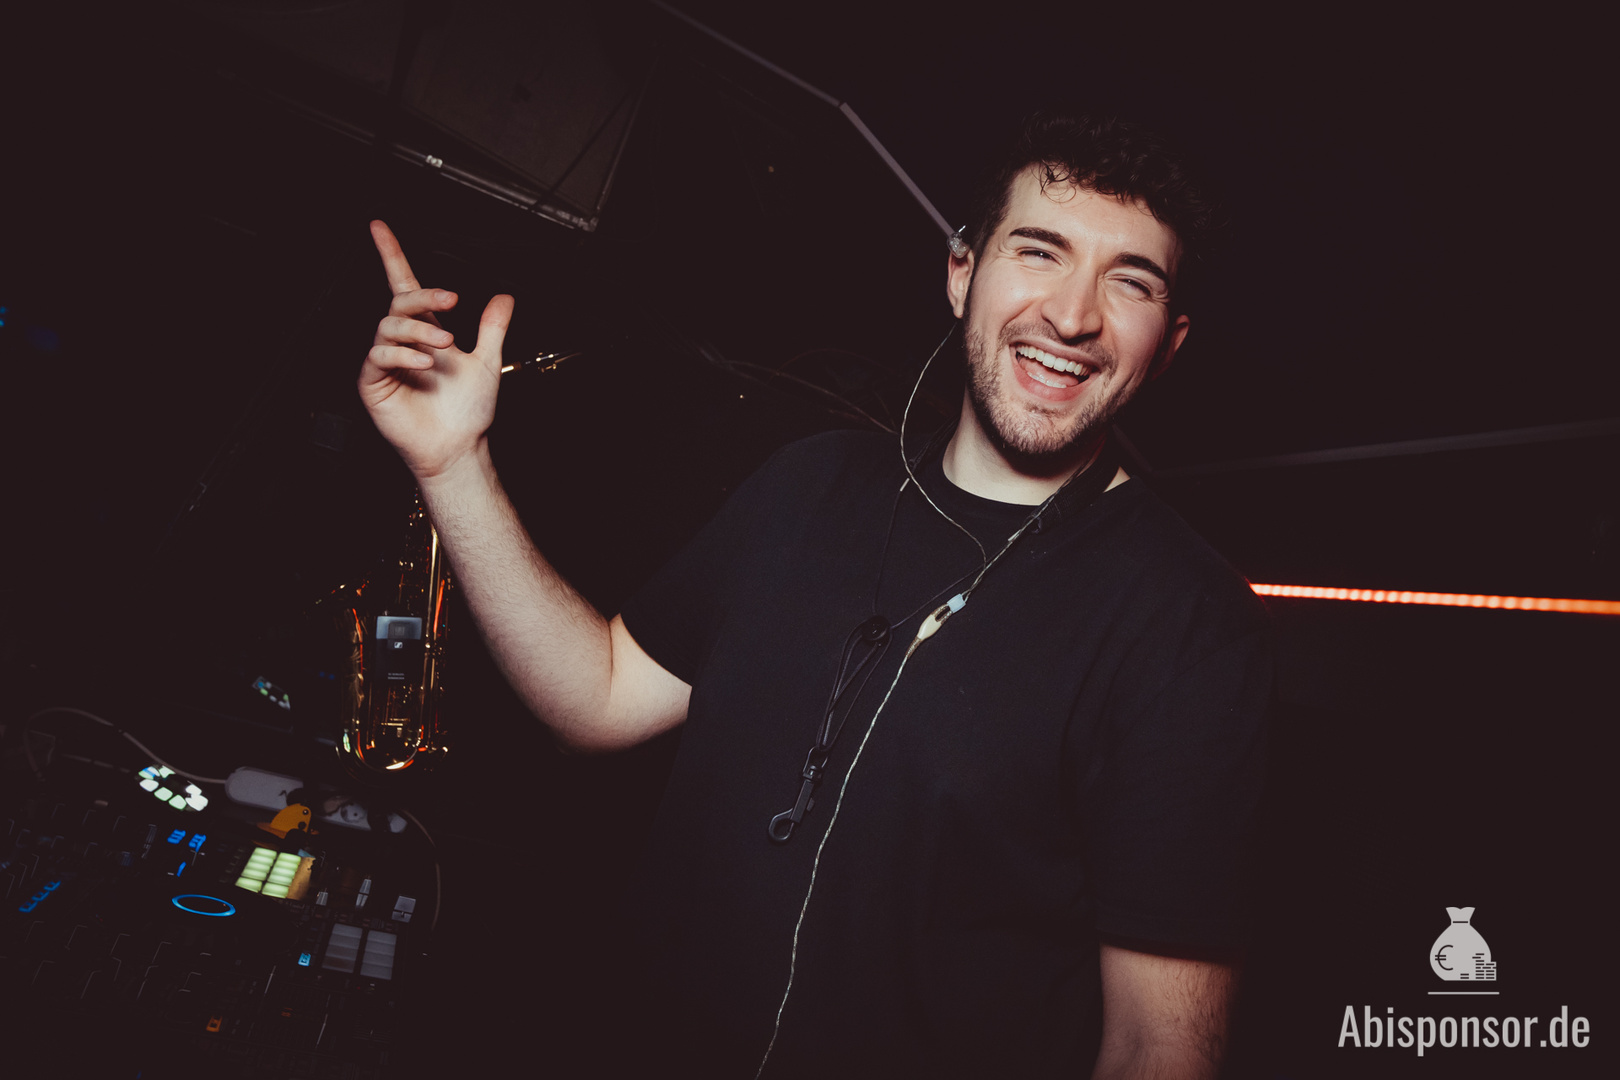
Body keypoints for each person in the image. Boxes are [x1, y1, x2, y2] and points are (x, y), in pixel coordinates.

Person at [359, 112, 1269, 1079]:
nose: (1074, 315)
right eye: (1040, 251)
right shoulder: (809, 485)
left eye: (1130, 281)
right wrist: (453, 465)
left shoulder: (1190, 627)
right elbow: (601, 699)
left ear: (1168, 343)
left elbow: (1156, 1048)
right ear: (962, 273)